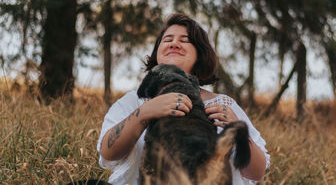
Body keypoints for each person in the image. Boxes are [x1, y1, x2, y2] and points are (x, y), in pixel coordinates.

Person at [97, 14, 270, 185]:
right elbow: (108, 153)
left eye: (185, 40)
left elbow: (256, 172)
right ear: (157, 52)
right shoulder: (134, 101)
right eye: (167, 39)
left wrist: (240, 133)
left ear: (199, 54)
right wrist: (145, 113)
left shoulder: (223, 104)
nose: (174, 43)